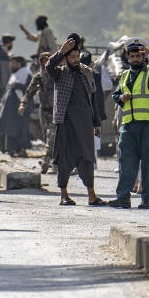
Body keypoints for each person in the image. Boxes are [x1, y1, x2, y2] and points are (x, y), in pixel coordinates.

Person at [44, 34, 105, 206]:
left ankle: (92, 195)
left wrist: (96, 122)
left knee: (87, 157)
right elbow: (49, 66)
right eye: (72, 57)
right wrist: (59, 52)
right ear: (66, 58)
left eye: (77, 56)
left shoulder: (86, 72)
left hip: (85, 122)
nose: (76, 59)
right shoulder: (60, 73)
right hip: (66, 122)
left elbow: (93, 98)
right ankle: (64, 195)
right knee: (65, 157)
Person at [110, 39, 149, 209]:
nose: (135, 59)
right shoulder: (125, 76)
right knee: (126, 162)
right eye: (132, 56)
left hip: (148, 125)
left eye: (138, 56)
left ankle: (146, 199)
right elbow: (116, 95)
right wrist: (121, 98)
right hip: (128, 125)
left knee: (148, 163)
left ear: (143, 58)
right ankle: (123, 198)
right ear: (128, 58)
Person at [21, 52, 56, 174]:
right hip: (44, 110)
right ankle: (52, 162)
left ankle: (48, 161)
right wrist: (23, 104)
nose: (45, 63)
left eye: (48, 60)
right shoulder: (39, 76)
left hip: (56, 111)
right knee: (47, 137)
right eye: (43, 61)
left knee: (52, 137)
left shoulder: (57, 74)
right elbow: (29, 91)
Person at [0, 55, 31, 157]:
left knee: (22, 128)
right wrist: (2, 102)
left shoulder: (26, 73)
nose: (11, 65)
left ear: (19, 64)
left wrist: (17, 85)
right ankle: (12, 149)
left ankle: (22, 149)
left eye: (13, 63)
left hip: (21, 106)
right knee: (11, 128)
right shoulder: (15, 74)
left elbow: (30, 89)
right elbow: (7, 90)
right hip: (11, 108)